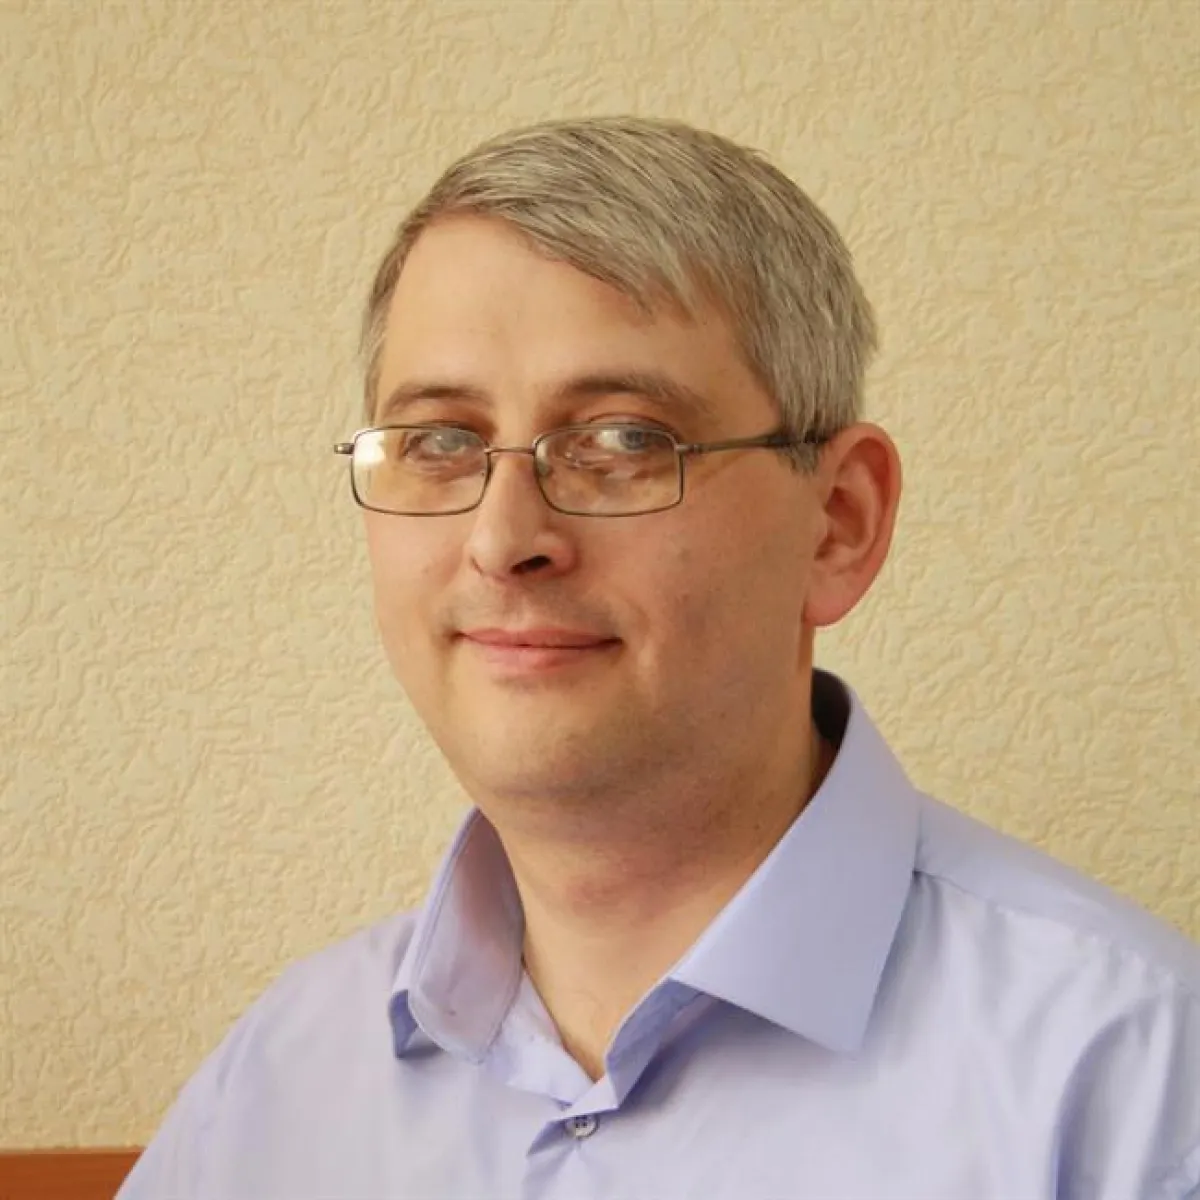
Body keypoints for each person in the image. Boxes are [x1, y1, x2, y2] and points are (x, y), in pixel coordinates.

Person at [119, 116, 1199, 1200]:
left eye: (624, 440)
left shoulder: (1137, 1084)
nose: (504, 539)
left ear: (838, 523)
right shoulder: (276, 1089)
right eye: (441, 442)